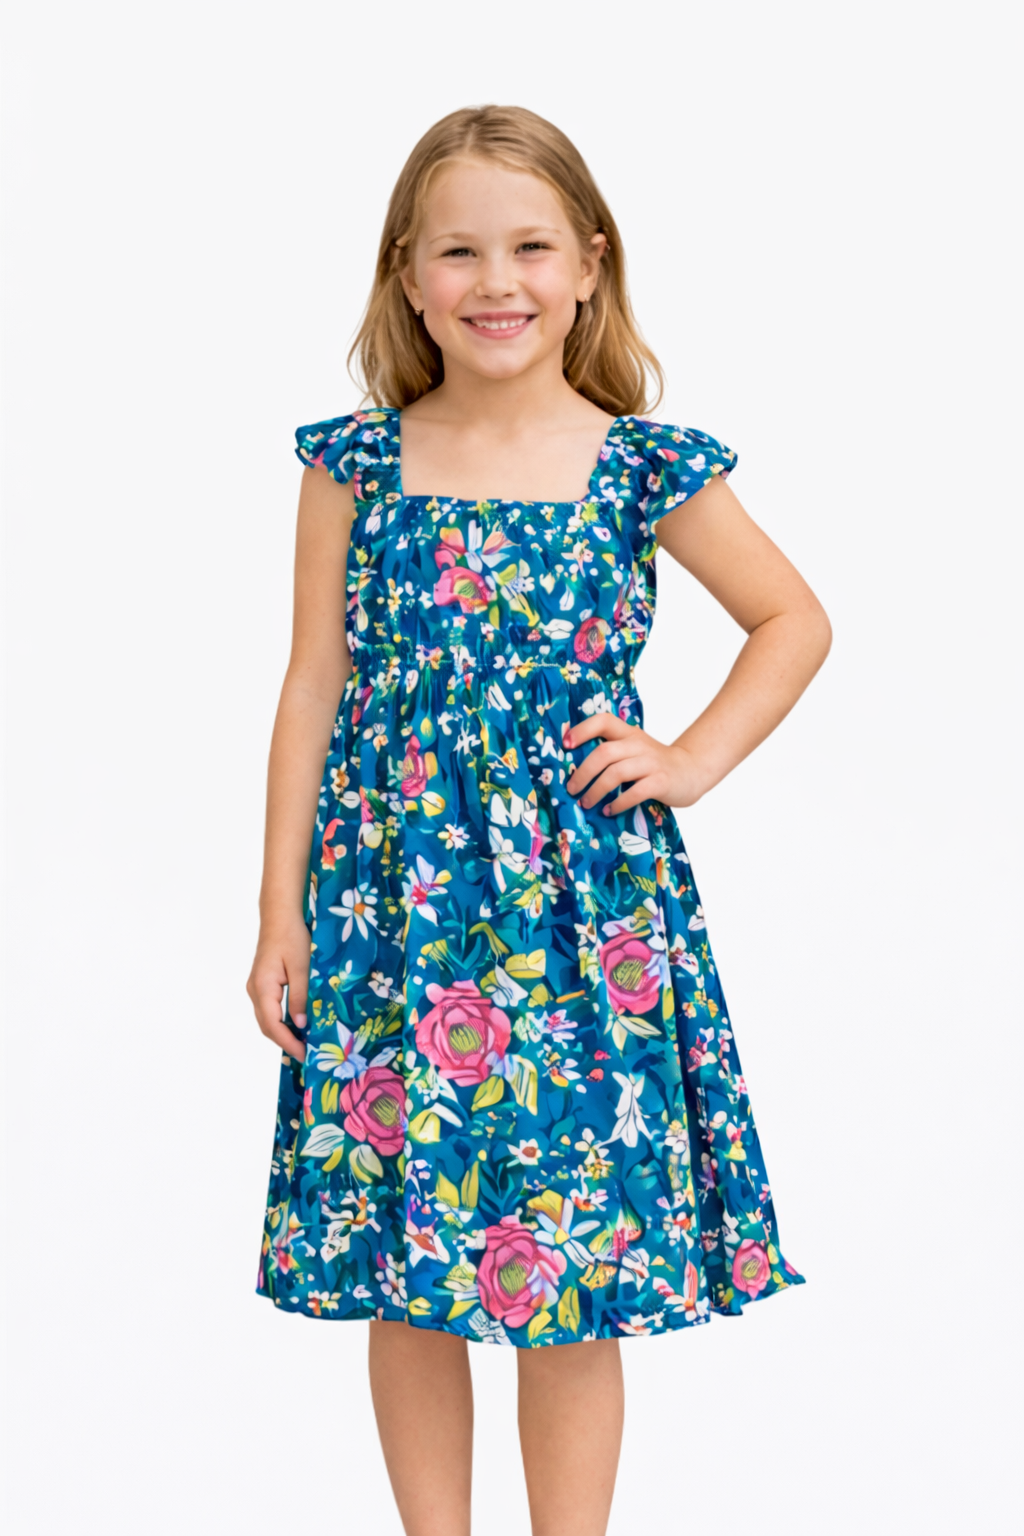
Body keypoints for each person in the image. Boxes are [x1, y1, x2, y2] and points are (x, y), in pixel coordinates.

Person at [248, 105, 831, 1536]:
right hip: (392, 909)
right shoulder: (354, 465)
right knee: (409, 1256)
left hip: (581, 910)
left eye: (529, 248)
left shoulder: (642, 466)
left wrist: (688, 759)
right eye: (458, 251)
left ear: (588, 266)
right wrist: (279, 912)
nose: (494, 281)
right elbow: (314, 681)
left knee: (569, 1260)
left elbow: (792, 620)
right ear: (407, 274)